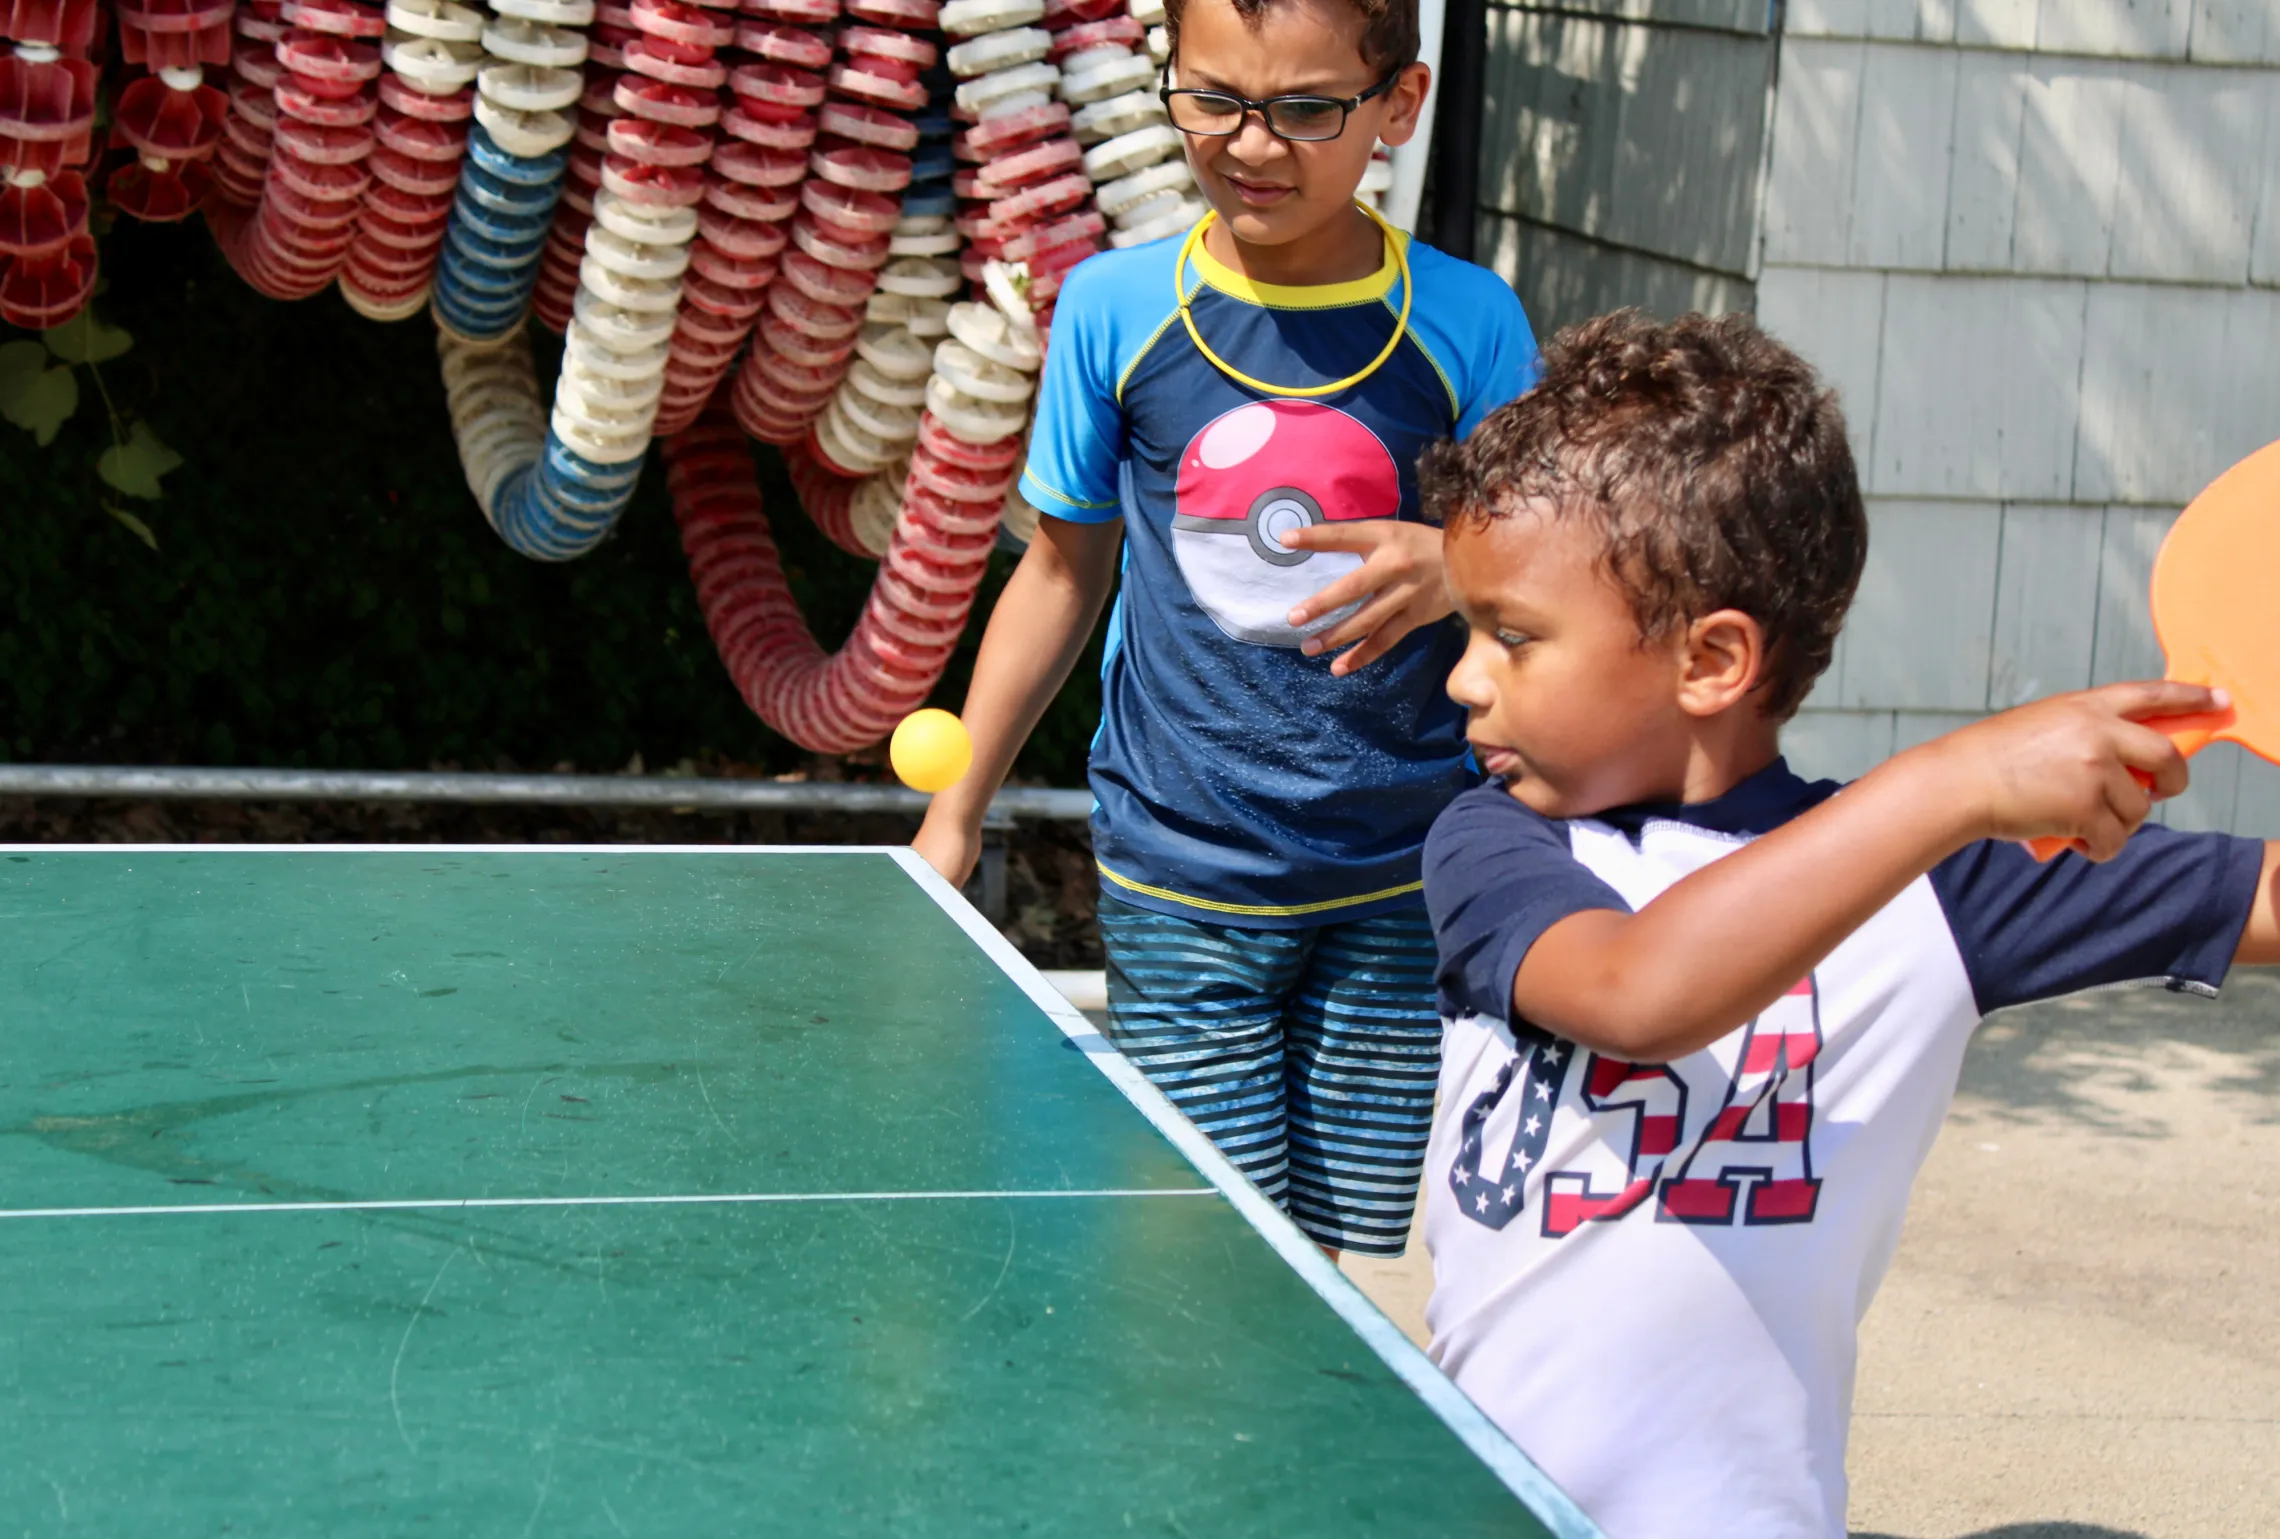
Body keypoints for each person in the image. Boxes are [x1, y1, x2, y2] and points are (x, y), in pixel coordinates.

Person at [1415, 309, 2280, 1538]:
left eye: (1512, 635)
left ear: (1712, 659)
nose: (1464, 676)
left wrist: (1958, 809)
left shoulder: (1949, 884)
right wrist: (1957, 782)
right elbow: (1637, 998)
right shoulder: (1499, 842)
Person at [912, 0, 1538, 1256]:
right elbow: (1058, 569)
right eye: (1214, 100)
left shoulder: (1471, 324)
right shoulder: (1111, 308)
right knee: (1197, 1241)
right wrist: (956, 810)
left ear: (1395, 110)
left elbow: (1558, 576)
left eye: (1306, 109)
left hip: (1401, 876)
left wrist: (1462, 563)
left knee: (1336, 1259)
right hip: (1180, 865)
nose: (1253, 145)